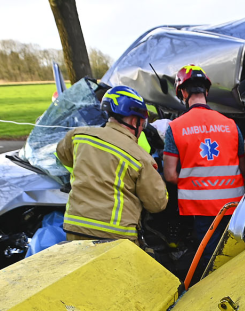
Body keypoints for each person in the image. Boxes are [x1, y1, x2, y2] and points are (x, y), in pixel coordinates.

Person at [163, 64, 245, 272]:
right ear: (206, 91)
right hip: (233, 204)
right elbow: (244, 169)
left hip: (201, 206)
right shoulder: (231, 125)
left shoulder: (175, 128)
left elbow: (170, 175)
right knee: (236, 253)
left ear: (183, 93)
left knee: (211, 259)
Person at [57, 85, 167, 242]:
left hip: (75, 228)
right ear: (134, 120)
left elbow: (63, 155)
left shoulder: (78, 136)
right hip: (115, 236)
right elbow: (157, 204)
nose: (142, 129)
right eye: (142, 124)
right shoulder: (140, 157)